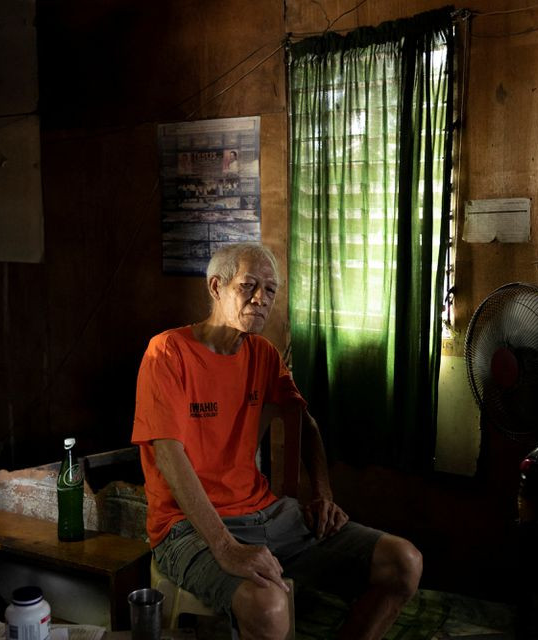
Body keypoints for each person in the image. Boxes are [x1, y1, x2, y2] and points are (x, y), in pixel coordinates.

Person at [131, 243, 422, 640]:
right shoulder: (168, 352)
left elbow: (306, 425)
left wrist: (322, 493)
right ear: (216, 287)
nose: (261, 299)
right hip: (186, 527)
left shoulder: (264, 355)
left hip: (266, 513)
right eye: (248, 285)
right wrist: (225, 545)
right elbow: (168, 456)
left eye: (270, 290)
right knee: (269, 607)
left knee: (404, 562)